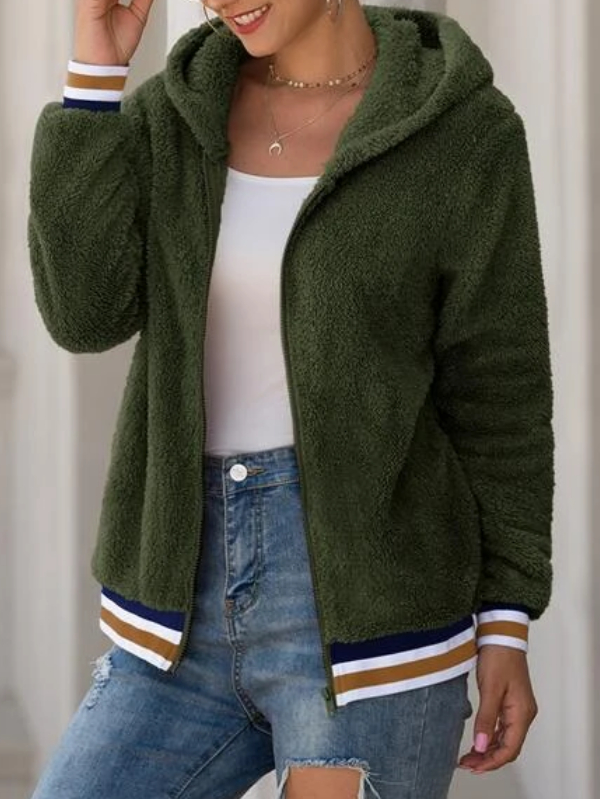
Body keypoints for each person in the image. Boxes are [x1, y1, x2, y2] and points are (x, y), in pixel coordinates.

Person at [27, 0, 554, 796]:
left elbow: (500, 389)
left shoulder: (463, 132)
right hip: (178, 616)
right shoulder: (174, 116)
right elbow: (84, 314)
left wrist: (506, 621)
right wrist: (95, 71)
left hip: (368, 627)